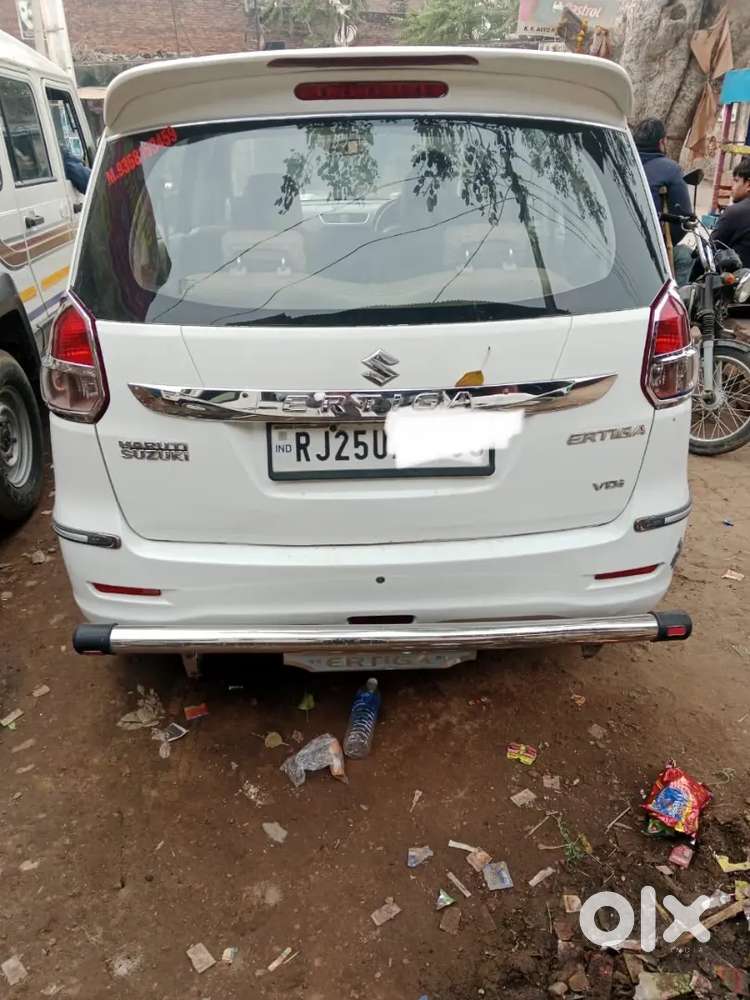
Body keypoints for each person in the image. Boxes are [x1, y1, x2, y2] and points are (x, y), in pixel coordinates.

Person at [633, 118, 693, 246]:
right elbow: (684, 218)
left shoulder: (620, 161)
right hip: (650, 244)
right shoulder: (671, 169)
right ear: (661, 142)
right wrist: (665, 245)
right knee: (684, 257)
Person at [712, 156, 750, 267]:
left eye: (736, 181)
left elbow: (711, 248)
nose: (732, 187)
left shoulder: (735, 212)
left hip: (737, 280)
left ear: (748, 185)